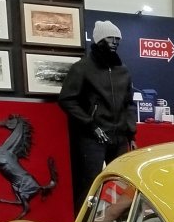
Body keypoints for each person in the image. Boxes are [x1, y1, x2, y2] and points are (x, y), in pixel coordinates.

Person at [57, 20, 137, 204]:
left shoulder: (122, 70)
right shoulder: (82, 68)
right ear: (99, 39)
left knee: (123, 183)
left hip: (119, 137)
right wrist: (90, 124)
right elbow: (67, 99)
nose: (115, 42)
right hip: (91, 138)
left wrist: (131, 133)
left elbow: (129, 103)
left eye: (118, 39)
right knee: (89, 185)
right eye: (111, 38)